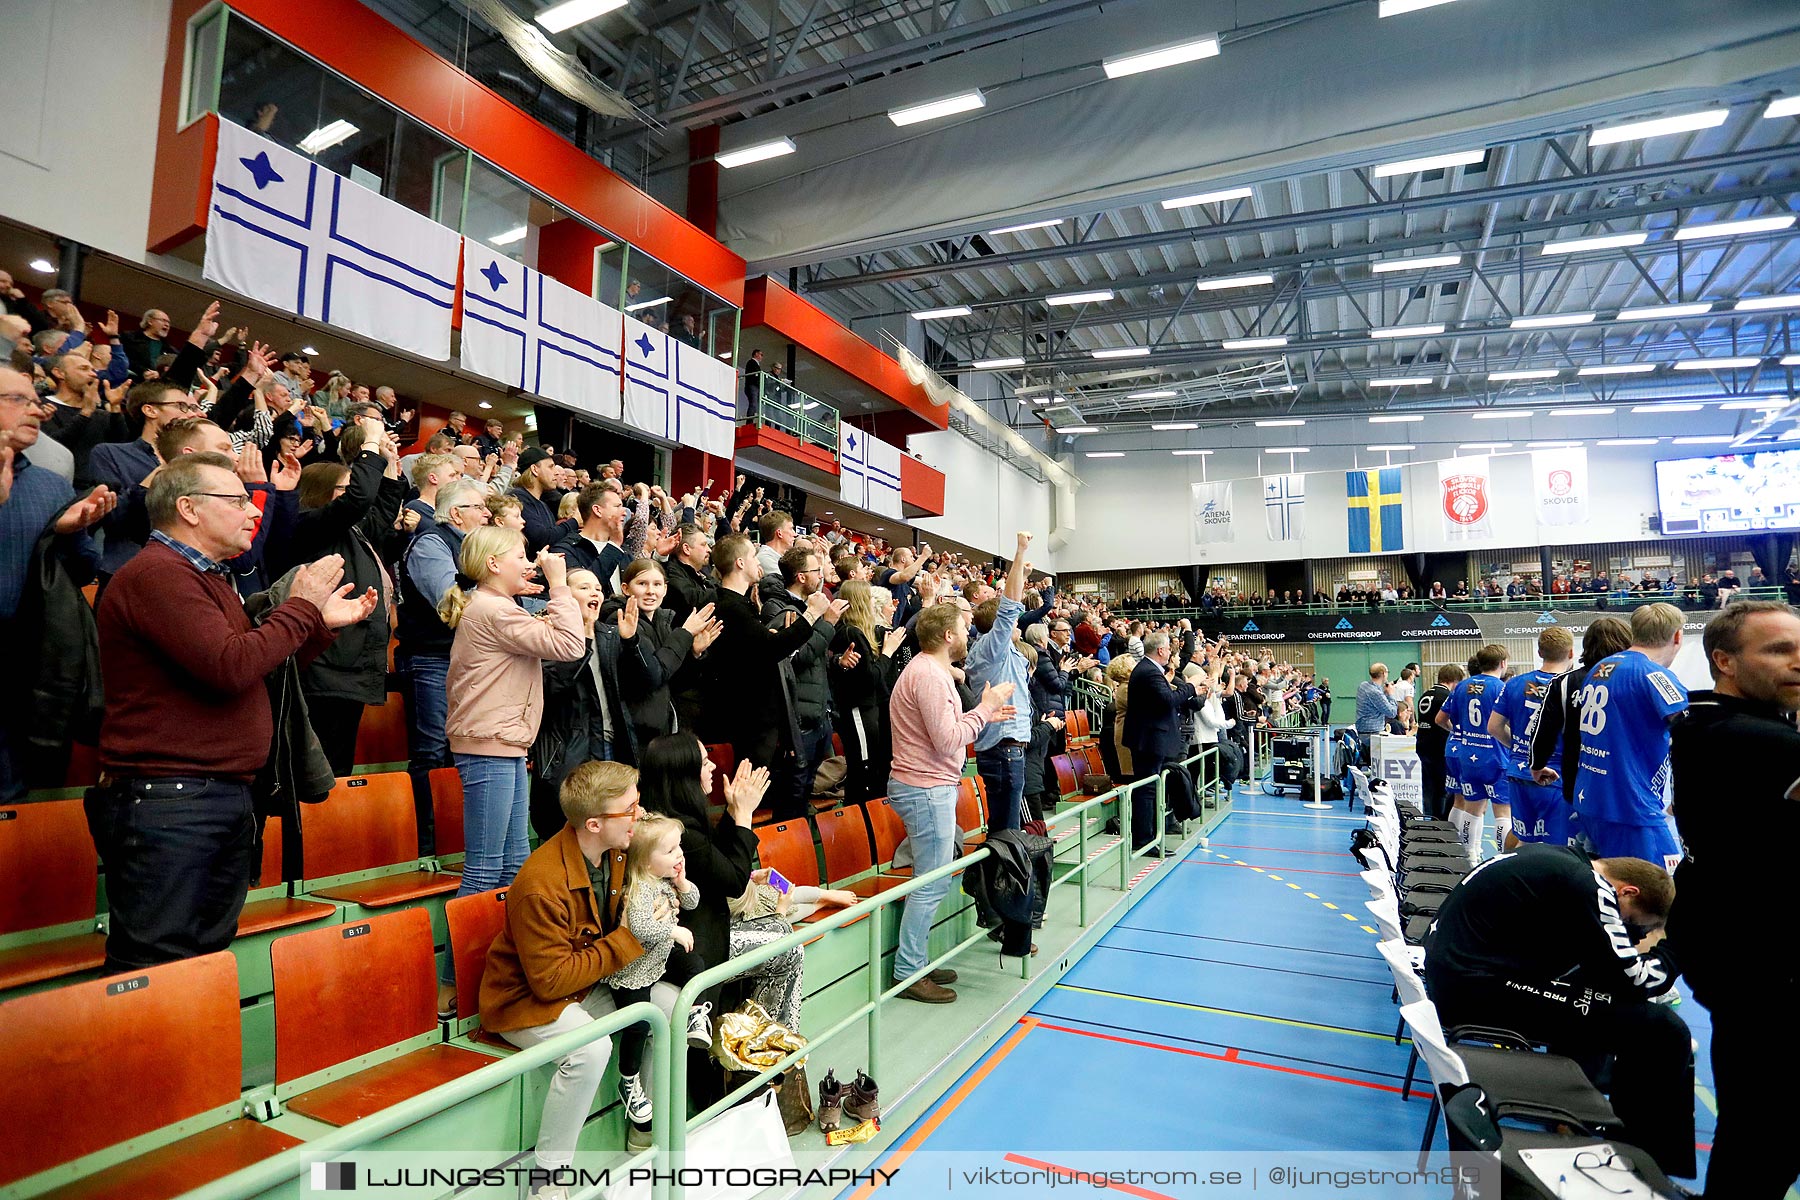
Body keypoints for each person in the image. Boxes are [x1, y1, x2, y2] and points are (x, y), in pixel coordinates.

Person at [91, 453, 377, 972]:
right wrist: (301, 609)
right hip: (171, 803)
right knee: (158, 967)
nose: (254, 511)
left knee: (201, 962)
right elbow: (229, 667)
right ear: (189, 509)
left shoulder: (208, 578)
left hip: (211, 796)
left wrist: (314, 625)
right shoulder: (159, 575)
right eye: (238, 500)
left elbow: (256, 669)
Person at [1424, 847, 1694, 1181]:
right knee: (1663, 1029)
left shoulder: (1564, 859)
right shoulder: (1588, 885)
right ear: (1627, 891)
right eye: (1633, 924)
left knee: (1600, 993)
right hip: (1472, 990)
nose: (1631, 934)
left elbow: (1607, 968)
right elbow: (1634, 978)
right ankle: (1642, 1163)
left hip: (1461, 975)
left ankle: (1576, 1113)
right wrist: (1675, 951)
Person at [480, 761, 667, 1193]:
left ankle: (651, 1131)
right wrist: (630, 939)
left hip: (583, 986)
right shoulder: (540, 883)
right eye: (632, 809)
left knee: (668, 1007)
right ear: (595, 824)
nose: (640, 815)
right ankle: (547, 1180)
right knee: (590, 1050)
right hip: (523, 1001)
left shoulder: (617, 849)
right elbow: (549, 982)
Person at [1668, 600, 1800, 1200]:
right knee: (1768, 1136)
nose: (1797, 663)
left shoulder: (1704, 720)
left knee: (1756, 1128)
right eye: (1778, 650)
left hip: (1734, 951)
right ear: (1724, 660)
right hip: (1768, 966)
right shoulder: (1756, 740)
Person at [438, 528, 586, 1016]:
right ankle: (453, 984)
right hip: (488, 745)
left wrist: (545, 601)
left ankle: (501, 973)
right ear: (492, 564)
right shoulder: (492, 609)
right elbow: (568, 644)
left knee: (514, 862)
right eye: (520, 557)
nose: (530, 563)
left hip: (502, 743)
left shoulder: (498, 609)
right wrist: (560, 585)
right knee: (484, 868)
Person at [886, 601, 1016, 1003]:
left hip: (929, 786)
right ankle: (908, 972)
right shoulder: (928, 675)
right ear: (947, 636)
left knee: (934, 879)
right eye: (962, 628)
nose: (967, 634)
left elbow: (947, 732)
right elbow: (945, 739)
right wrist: (984, 710)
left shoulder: (931, 672)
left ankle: (915, 961)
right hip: (924, 788)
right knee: (931, 883)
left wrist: (982, 716)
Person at [283, 416, 405, 775]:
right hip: (323, 665)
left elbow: (380, 511)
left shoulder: (353, 532)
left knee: (338, 767)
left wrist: (390, 462)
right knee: (315, 769)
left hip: (350, 668)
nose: (355, 496)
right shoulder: (309, 526)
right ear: (323, 494)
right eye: (344, 489)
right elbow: (360, 500)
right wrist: (369, 445)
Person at [701, 534, 844, 798]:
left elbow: (763, 646)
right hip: (749, 721)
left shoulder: (742, 605)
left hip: (759, 719)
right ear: (741, 563)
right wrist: (812, 615)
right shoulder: (731, 607)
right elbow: (771, 650)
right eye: (754, 557)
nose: (760, 563)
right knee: (752, 797)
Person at [599, 813, 707, 1137]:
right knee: (640, 1024)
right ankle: (629, 1081)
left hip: (656, 960)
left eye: (679, 848)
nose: (679, 855)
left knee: (695, 965)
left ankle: (695, 1015)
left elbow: (693, 900)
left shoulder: (664, 880)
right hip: (633, 970)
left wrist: (683, 880)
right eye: (671, 850)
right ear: (647, 861)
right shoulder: (641, 888)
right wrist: (673, 929)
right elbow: (642, 928)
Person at [528, 570, 654, 841]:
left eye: (598, 588)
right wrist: (580, 637)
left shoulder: (610, 634)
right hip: (569, 754)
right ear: (565, 597)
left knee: (615, 838)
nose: (595, 593)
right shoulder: (545, 632)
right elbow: (552, 687)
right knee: (573, 839)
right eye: (585, 588)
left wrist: (631, 642)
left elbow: (645, 683)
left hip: (613, 747)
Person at [396, 478, 489, 848]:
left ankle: (452, 837)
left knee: (458, 750)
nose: (487, 513)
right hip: (431, 661)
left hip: (461, 661)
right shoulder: (432, 542)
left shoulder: (470, 549)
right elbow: (450, 603)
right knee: (432, 752)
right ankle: (426, 841)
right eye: (479, 507)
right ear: (456, 513)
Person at [1567, 603, 1688, 871]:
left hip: (1591, 797)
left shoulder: (1600, 668)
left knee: (1611, 885)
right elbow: (1690, 735)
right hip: (1631, 806)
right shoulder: (1654, 675)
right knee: (1659, 892)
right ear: (1677, 636)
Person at [760, 545, 847, 820]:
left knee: (805, 792)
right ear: (800, 576)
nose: (821, 576)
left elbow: (815, 658)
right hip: (799, 721)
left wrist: (836, 661)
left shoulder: (809, 608)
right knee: (792, 799)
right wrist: (828, 622)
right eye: (816, 571)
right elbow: (795, 659)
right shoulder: (782, 610)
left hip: (817, 715)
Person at [966, 532, 1036, 831]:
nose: (1017, 623)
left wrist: (1022, 572)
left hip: (1002, 748)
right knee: (1007, 830)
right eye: (1012, 622)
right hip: (1004, 749)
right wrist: (1019, 552)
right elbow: (1009, 604)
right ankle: (1006, 878)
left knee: (1005, 826)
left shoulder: (997, 651)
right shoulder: (992, 647)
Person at [613, 558, 721, 750]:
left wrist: (694, 654)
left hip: (665, 727)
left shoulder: (664, 620)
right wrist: (685, 633)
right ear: (625, 588)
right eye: (642, 584)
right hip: (636, 733)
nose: (650, 591)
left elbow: (674, 680)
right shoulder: (620, 620)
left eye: (657, 584)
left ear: (665, 589)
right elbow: (653, 675)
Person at [1488, 628, 1573, 848]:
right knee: (1555, 848)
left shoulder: (1515, 683)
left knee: (1523, 838)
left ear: (1539, 651)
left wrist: (1519, 747)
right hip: (1554, 775)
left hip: (1519, 771)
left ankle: (1508, 872)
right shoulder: (1570, 686)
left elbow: (1494, 727)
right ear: (1571, 653)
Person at [1122, 632, 1199, 853]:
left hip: (1152, 739)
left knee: (1151, 789)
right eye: (1168, 648)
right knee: (1147, 790)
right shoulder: (1149, 672)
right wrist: (1191, 686)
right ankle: (1144, 840)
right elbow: (1168, 701)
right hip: (1149, 741)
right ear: (1161, 650)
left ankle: (1149, 838)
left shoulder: (1150, 671)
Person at [1435, 643, 1510, 864]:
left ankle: (1469, 857)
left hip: (1467, 756)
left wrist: (1460, 731)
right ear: (1502, 663)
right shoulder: (1501, 688)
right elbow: (1507, 724)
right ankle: (1502, 859)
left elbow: (1440, 719)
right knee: (1502, 812)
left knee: (1471, 808)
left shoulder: (1461, 686)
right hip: (1495, 756)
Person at [829, 579, 901, 802]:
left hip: (868, 709)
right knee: (864, 769)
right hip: (858, 709)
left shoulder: (858, 632)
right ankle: (860, 826)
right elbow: (870, 678)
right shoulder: (851, 633)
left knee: (873, 768)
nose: (873, 604)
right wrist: (887, 653)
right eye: (869, 599)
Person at [1414, 664, 1463, 821]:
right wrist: (1454, 730)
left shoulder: (1425, 694)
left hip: (1423, 745)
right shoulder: (1446, 696)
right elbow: (1445, 720)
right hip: (1439, 746)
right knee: (1443, 788)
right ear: (1454, 681)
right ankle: (1440, 821)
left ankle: (1430, 818)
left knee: (1429, 787)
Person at [1354, 663, 1398, 743]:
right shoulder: (1375, 693)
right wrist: (1391, 694)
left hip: (1363, 731)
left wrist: (1384, 692)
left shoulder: (1363, 686)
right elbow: (1392, 713)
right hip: (1372, 734)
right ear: (1383, 674)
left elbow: (1375, 702)